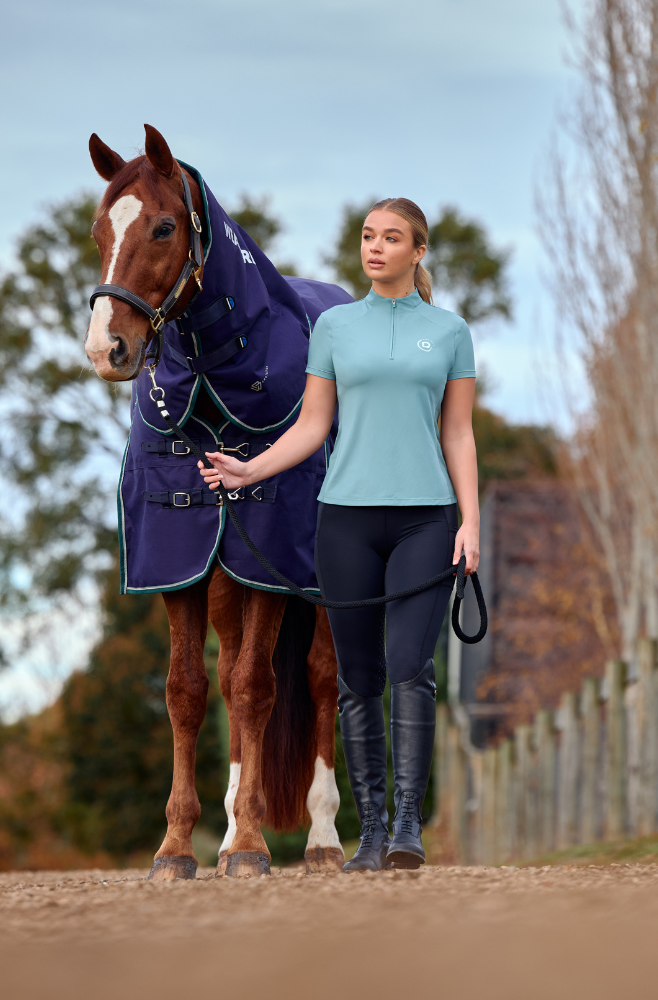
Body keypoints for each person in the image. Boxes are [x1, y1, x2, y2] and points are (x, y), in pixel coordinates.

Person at [199, 198, 480, 871]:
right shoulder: (333, 327)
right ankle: (372, 832)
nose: (375, 247)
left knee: (411, 670)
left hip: (425, 519)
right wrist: (248, 470)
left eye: (391, 238)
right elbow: (312, 425)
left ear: (418, 251)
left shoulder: (450, 333)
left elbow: (458, 433)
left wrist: (471, 522)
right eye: (367, 236)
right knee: (356, 678)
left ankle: (407, 826)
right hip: (345, 520)